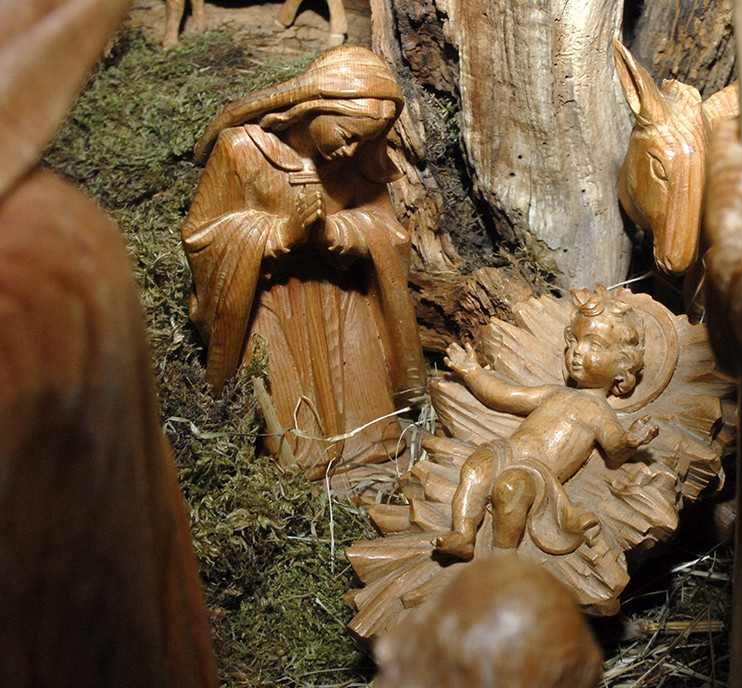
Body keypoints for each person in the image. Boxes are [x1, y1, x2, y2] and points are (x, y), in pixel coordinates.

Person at [181, 46, 425, 484]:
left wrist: (338, 231)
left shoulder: (356, 162)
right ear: (313, 106)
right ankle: (305, 470)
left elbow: (389, 233)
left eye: (365, 141)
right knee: (293, 427)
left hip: (342, 293)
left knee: (371, 421)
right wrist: (280, 235)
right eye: (347, 134)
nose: (352, 150)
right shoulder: (242, 150)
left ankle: (371, 459)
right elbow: (201, 234)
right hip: (265, 301)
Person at [434, 291, 659, 559]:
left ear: (622, 368)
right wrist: (473, 372)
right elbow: (506, 395)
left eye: (595, 346)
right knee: (475, 468)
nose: (578, 351)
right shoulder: (553, 392)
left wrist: (629, 441)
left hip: (536, 472)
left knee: (510, 488)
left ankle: (503, 556)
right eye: (575, 341)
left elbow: (614, 449)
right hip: (508, 450)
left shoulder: (599, 412)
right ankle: (463, 534)